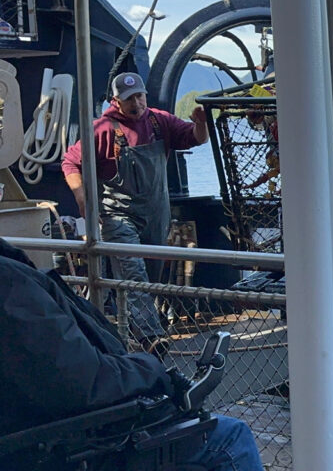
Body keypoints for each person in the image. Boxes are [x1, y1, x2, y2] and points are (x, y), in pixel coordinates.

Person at [0, 239, 262, 470]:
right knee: (230, 438)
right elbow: (82, 382)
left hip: (41, 436)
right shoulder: (9, 283)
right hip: (68, 448)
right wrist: (152, 369)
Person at [62, 72, 209, 356]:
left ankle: (116, 333)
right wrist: (82, 198)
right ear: (116, 100)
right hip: (118, 216)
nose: (137, 103)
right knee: (133, 272)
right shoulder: (102, 128)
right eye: (129, 98)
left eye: (140, 95)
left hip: (155, 214)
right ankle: (152, 339)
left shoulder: (159, 120)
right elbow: (70, 162)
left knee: (148, 278)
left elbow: (195, 138)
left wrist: (201, 123)